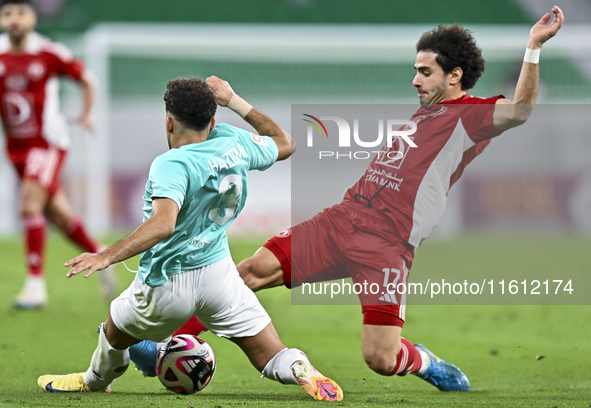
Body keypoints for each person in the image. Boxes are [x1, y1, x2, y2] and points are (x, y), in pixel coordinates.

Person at [127, 7, 564, 392]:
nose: (414, 79)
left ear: (454, 76)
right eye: (415, 69)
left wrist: (533, 46)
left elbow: (521, 109)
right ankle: (168, 343)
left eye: (425, 71)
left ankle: (425, 361)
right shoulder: (427, 112)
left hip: (387, 247)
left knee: (380, 359)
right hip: (343, 219)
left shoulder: (472, 116)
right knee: (251, 270)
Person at [37, 76, 343, 401]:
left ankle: (94, 380)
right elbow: (285, 143)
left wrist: (106, 255)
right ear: (213, 120)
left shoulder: (171, 164)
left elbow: (163, 225)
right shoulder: (233, 141)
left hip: (168, 284)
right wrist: (235, 100)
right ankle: (299, 366)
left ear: (168, 122)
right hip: (220, 277)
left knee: (113, 330)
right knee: (270, 353)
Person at [0, 0, 116, 308]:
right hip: (16, 149)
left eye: (21, 12)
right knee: (58, 214)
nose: (14, 19)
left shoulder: (49, 52)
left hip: (47, 143)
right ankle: (103, 255)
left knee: (28, 204)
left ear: (33, 17)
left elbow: (87, 79)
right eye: (8, 13)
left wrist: (87, 113)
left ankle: (35, 287)